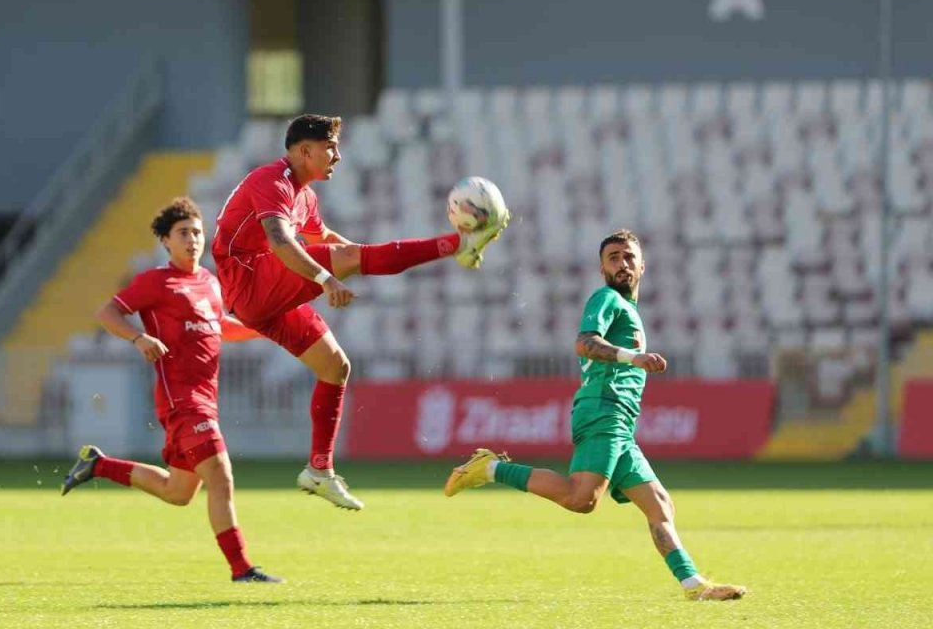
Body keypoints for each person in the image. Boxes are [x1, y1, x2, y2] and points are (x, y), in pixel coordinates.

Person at [212, 114, 510, 510]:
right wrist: (327, 277)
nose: (337, 155)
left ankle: (319, 470)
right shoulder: (273, 180)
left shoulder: (305, 195)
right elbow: (281, 241)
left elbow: (330, 241)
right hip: (248, 280)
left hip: (262, 298)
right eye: (330, 147)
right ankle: (457, 243)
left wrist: (362, 259)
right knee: (350, 261)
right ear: (305, 150)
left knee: (335, 367)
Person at [444, 229, 747, 601]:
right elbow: (584, 342)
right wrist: (631, 357)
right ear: (602, 268)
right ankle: (489, 468)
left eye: (629, 257)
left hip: (621, 422)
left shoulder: (629, 310)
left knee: (660, 504)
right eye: (614, 257)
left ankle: (693, 586)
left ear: (642, 266)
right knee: (581, 500)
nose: (622, 263)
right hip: (603, 410)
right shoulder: (606, 298)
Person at [62, 197, 282, 583]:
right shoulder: (155, 282)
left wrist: (260, 329)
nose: (193, 240)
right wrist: (138, 338)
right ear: (165, 240)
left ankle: (98, 464)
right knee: (222, 477)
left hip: (205, 402)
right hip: (183, 402)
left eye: (197, 232)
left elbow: (219, 329)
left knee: (178, 492)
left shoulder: (210, 283)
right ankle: (242, 568)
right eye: (183, 233)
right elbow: (107, 313)